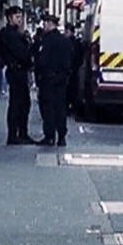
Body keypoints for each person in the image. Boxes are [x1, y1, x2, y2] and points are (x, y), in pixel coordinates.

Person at [0, 5, 39, 144]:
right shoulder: (9, 35)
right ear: (10, 18)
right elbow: (22, 54)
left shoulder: (17, 34)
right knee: (17, 104)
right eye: (17, 17)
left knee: (24, 103)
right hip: (16, 71)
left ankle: (22, 133)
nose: (20, 20)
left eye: (21, 17)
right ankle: (14, 135)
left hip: (20, 71)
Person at [33, 13, 72, 146]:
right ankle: (62, 136)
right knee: (60, 108)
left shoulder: (46, 40)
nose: (43, 26)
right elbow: (69, 61)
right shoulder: (64, 40)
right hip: (61, 80)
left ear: (50, 24)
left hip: (48, 79)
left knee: (48, 108)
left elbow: (41, 60)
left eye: (45, 23)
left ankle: (49, 136)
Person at [64, 23, 84, 114]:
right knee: (70, 90)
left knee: (71, 90)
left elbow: (79, 56)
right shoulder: (75, 43)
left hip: (72, 70)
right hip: (72, 70)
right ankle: (70, 106)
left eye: (67, 31)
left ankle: (70, 106)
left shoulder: (73, 43)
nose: (65, 33)